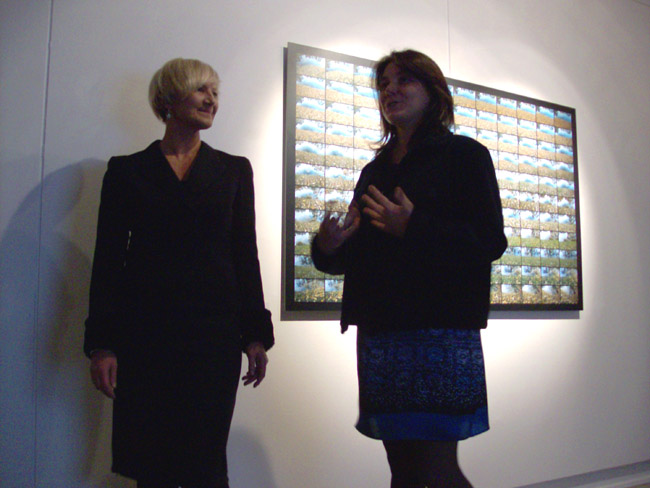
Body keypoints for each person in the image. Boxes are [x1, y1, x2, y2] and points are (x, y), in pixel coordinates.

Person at [311, 49, 507, 488]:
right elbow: (356, 254)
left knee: (435, 471)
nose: (390, 90)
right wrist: (329, 246)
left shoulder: (464, 156)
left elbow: (490, 241)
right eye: (383, 84)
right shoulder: (375, 170)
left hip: (439, 332)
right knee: (403, 471)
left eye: (404, 81)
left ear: (433, 91)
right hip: (382, 333)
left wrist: (413, 226)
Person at [84, 58, 274, 488]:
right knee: (152, 468)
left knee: (206, 468)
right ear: (169, 97)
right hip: (145, 339)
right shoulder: (127, 171)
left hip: (213, 340)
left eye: (215, 93)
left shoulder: (233, 170)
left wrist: (255, 334)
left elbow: (245, 256)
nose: (211, 100)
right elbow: (109, 262)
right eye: (201, 90)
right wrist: (103, 344)